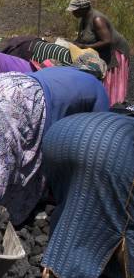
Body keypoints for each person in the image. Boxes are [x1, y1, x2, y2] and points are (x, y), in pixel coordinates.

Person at [0, 65, 109, 226]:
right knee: (1, 164)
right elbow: (99, 138)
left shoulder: (66, 72)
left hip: (0, 83)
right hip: (23, 97)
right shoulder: (99, 89)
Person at [40, 112, 134, 278]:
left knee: (72, 208)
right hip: (108, 152)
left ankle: (58, 260)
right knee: (122, 223)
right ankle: (65, 269)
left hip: (60, 136)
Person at [68, 0, 130, 105]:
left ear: (83, 8)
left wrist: (83, 46)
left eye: (75, 10)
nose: (73, 13)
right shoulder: (84, 19)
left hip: (114, 51)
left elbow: (107, 41)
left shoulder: (97, 19)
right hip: (102, 50)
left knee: (110, 80)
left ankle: (113, 105)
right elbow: (83, 37)